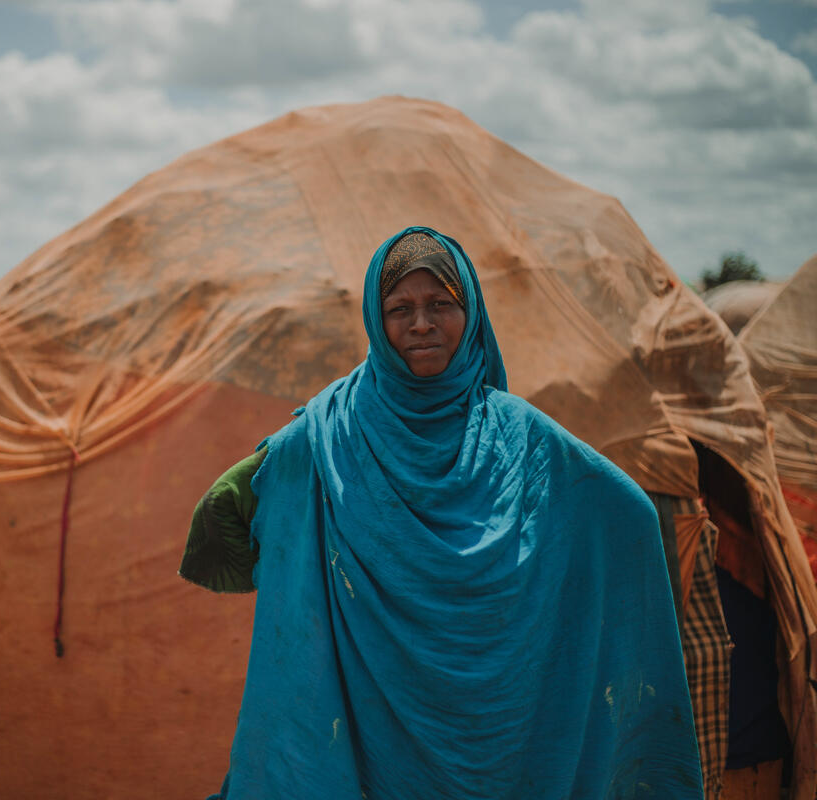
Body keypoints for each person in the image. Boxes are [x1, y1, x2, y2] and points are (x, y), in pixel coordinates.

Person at [179, 227, 704, 799]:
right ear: (376, 323)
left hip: (505, 730)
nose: (421, 324)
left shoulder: (520, 434)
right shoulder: (330, 434)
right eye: (399, 309)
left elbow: (627, 511)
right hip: (370, 733)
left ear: (470, 310)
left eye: (440, 305)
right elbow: (232, 502)